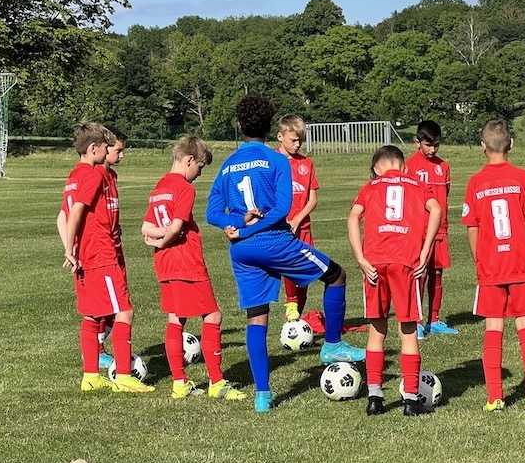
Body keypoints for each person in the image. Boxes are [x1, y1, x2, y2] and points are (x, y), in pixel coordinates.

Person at [206, 95, 365, 413]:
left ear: (239, 126)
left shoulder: (227, 165)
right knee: (336, 276)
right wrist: (248, 229)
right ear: (269, 128)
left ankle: (263, 395)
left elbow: (212, 213)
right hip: (275, 242)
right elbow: (281, 209)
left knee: (257, 317)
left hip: (242, 253)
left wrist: (234, 225)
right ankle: (332, 344)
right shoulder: (276, 160)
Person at [141, 136, 247, 401]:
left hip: (163, 263)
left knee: (175, 318)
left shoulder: (159, 187)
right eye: (200, 166)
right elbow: (177, 228)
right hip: (186, 262)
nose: (199, 173)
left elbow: (146, 228)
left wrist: (158, 239)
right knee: (213, 316)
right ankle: (217, 383)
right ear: (189, 160)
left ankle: (179, 383)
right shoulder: (184, 189)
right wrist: (167, 237)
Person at [461, 119, 525, 413]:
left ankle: (495, 397)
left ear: (482, 147)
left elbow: (472, 229)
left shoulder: (475, 182)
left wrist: (479, 260)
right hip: (521, 263)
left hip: (490, 267)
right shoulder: (523, 178)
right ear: (511, 144)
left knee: (493, 327)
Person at [348, 145, 442, 417]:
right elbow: (436, 209)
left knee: (377, 330)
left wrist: (360, 258)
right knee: (408, 330)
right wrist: (425, 251)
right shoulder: (417, 184)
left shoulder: (371, 186)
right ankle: (411, 399)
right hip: (406, 262)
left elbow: (353, 217)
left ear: (377, 169)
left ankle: (375, 397)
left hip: (374, 262)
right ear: (403, 166)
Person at [59, 122, 154, 393]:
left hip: (89, 253)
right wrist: (69, 249)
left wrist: (71, 248)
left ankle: (90, 376)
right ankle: (123, 375)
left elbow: (62, 216)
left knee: (93, 314)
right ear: (95, 149)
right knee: (124, 311)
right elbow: (74, 213)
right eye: (109, 147)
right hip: (100, 253)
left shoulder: (75, 175)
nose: (115, 153)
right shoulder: (93, 175)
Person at [405, 120, 457, 337]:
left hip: (440, 229)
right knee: (420, 273)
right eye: (428, 145)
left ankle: (433, 320)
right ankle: (416, 321)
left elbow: (445, 195)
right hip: (419, 230)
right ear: (417, 142)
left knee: (437, 273)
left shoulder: (443, 167)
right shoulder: (409, 166)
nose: (433, 149)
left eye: (436, 145)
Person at [275, 115, 320, 323]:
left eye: (300, 140)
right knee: (289, 264)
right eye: (293, 140)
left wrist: (297, 220)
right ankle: (291, 301)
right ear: (280, 136)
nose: (297, 144)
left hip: (303, 227)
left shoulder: (306, 163)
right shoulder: (271, 161)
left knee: (304, 273)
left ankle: (294, 321)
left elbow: (312, 200)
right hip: (280, 227)